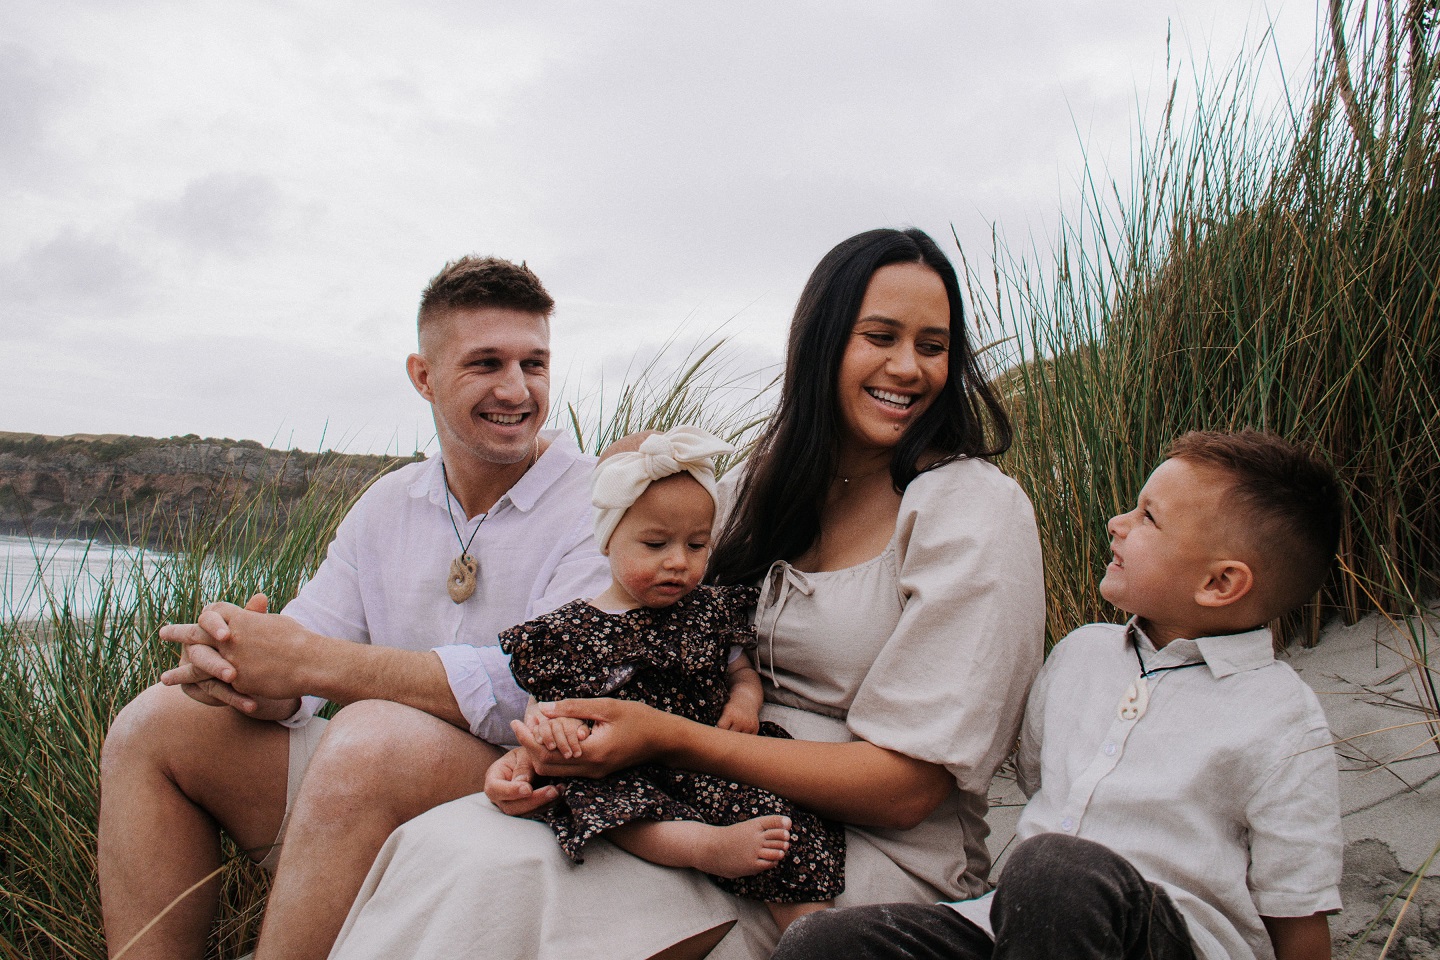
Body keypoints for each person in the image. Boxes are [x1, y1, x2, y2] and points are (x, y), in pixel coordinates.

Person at [324, 227, 1048, 960]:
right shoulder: (750, 492)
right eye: (880, 336)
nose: (907, 367)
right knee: (456, 847)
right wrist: (546, 747)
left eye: (932, 345)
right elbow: (623, 634)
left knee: (519, 880)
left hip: (852, 856)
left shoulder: (972, 511)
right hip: (687, 799)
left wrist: (669, 737)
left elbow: (907, 790)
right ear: (824, 341)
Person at [96, 256, 610, 960]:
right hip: (376, 785)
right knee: (155, 724)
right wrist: (243, 668)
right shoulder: (388, 505)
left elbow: (538, 692)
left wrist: (313, 662)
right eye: (486, 363)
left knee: (369, 737)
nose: (517, 390)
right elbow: (304, 664)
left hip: (538, 796)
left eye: (536, 364)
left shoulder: (603, 502)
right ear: (423, 376)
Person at [771, 429, 1345, 960]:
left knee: (1054, 869)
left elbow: (1297, 908)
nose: (1119, 523)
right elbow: (1039, 780)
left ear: (1219, 583)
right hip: (1014, 924)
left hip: (1166, 939)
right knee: (822, 942)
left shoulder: (1281, 717)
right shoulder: (1081, 654)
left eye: (1149, 518)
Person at [503, 425, 845, 933]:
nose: (678, 562)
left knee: (778, 819)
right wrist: (555, 734)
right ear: (608, 539)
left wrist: (745, 703)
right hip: (623, 766)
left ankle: (814, 936)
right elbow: (546, 708)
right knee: (622, 813)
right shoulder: (569, 632)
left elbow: (740, 671)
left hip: (705, 753)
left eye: (697, 544)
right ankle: (705, 848)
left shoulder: (708, 610)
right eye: (655, 543)